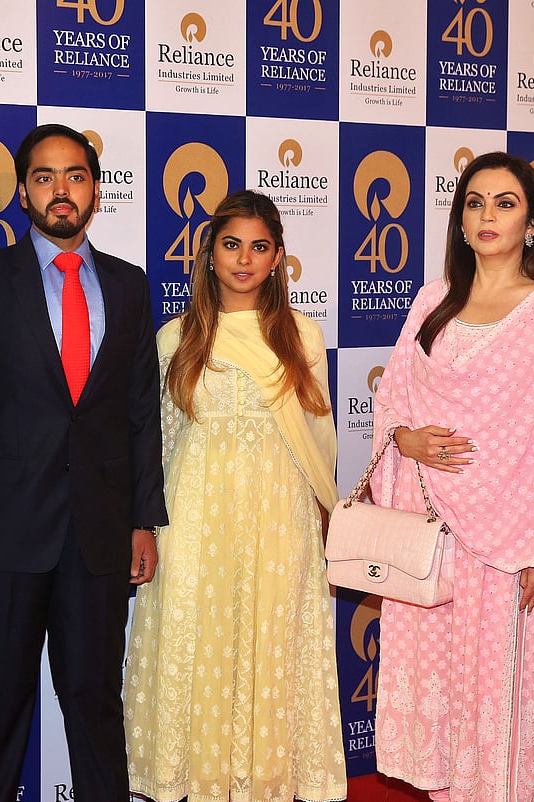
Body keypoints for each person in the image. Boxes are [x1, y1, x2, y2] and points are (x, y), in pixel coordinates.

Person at [0, 123, 167, 802]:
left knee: (96, 705)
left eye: (75, 176)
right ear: (23, 192)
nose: (61, 190)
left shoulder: (129, 286)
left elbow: (140, 413)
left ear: (96, 190)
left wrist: (143, 521)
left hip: (99, 535)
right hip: (5, 537)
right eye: (44, 177)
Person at [370, 152, 534, 802]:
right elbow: (392, 398)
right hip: (431, 534)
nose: (487, 214)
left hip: (512, 545)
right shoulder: (433, 299)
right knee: (439, 698)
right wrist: (407, 440)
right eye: (474, 202)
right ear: (460, 222)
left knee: (499, 702)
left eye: (504, 202)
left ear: (532, 224)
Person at [123, 189, 346, 802]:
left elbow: (318, 441)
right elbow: (160, 441)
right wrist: (149, 522)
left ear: (277, 258)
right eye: (231, 245)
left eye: (259, 247)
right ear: (210, 254)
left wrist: (328, 519)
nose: (244, 259)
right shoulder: (175, 338)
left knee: (271, 650)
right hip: (194, 517)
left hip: (280, 520)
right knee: (197, 647)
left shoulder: (302, 336)